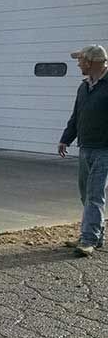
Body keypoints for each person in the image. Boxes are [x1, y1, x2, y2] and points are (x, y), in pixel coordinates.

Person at [59, 44, 108, 256]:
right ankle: (96, 236)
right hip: (85, 147)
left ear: (91, 62)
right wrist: (66, 138)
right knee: (85, 194)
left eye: (80, 60)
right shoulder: (84, 86)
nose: (78, 64)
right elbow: (77, 115)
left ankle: (88, 239)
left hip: (104, 149)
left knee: (95, 195)